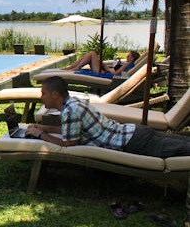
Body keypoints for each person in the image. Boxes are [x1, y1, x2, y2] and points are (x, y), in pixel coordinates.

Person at [24, 76, 190, 158]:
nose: (41, 97)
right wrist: (44, 127)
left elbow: (68, 145)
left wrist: (41, 135)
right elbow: (71, 131)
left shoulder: (70, 112)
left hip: (131, 142)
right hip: (134, 132)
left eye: (43, 94)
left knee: (183, 149)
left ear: (55, 94)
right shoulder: (73, 103)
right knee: (182, 142)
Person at [61, 50, 140, 78]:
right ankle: (74, 67)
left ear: (132, 58)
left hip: (104, 75)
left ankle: (75, 67)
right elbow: (117, 71)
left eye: (129, 55)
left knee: (92, 53)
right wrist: (114, 65)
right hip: (105, 72)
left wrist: (106, 67)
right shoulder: (129, 65)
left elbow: (115, 73)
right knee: (92, 56)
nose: (127, 56)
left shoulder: (127, 65)